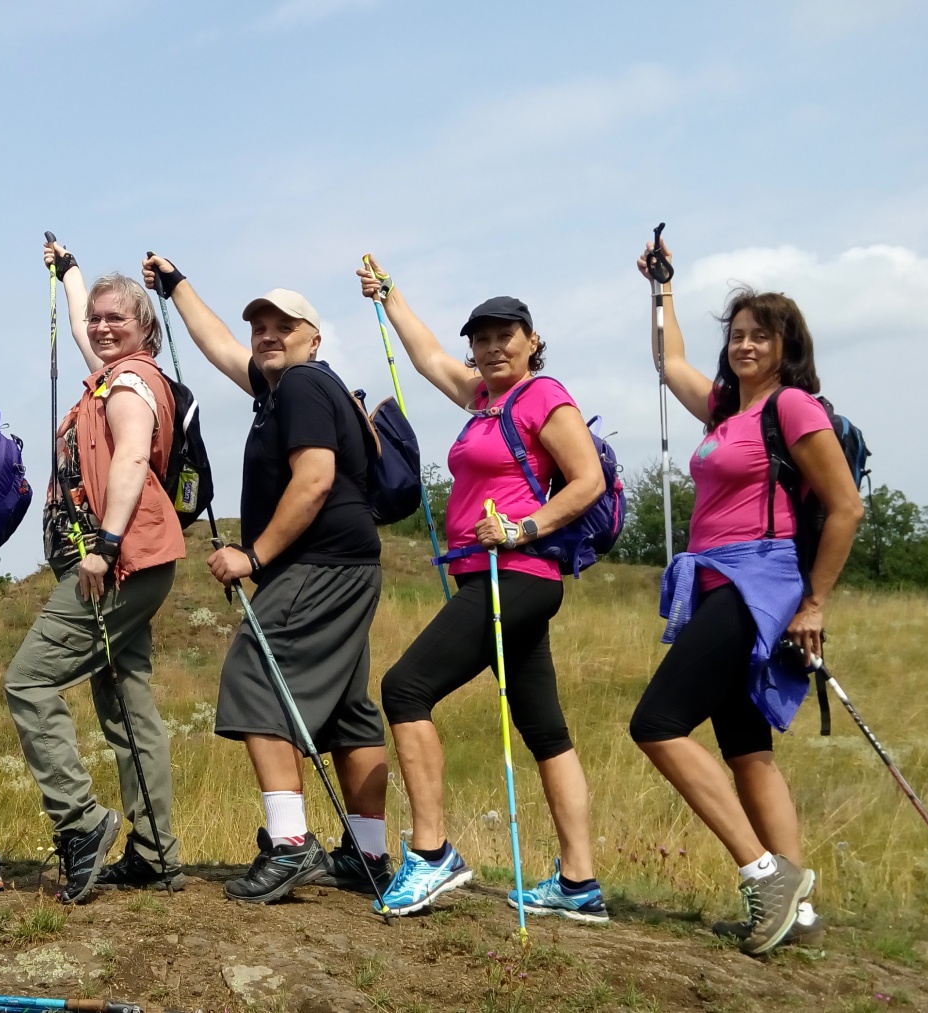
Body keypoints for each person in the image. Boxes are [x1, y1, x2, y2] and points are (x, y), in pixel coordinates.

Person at [628, 234, 862, 955]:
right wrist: (663, 288)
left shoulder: (791, 408)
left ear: (788, 346)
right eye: (736, 335)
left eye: (761, 335)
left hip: (756, 579)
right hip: (716, 578)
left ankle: (764, 874)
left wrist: (814, 603)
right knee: (746, 747)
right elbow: (668, 362)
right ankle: (800, 907)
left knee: (658, 723)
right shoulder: (726, 412)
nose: (744, 345)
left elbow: (845, 507)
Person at [356, 260, 610, 921]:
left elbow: (587, 483)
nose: (492, 346)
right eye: (482, 337)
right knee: (545, 729)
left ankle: (432, 851)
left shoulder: (543, 396)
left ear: (531, 339)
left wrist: (524, 527)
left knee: (405, 688)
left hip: (517, 573)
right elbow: (429, 357)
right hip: (490, 574)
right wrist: (390, 298)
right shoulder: (482, 397)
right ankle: (579, 883)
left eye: (506, 335)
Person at [143, 253, 391, 905]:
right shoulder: (285, 387)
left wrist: (253, 557)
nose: (268, 333)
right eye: (262, 325)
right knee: (344, 707)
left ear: (314, 337)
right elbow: (219, 344)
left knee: (254, 674)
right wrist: (176, 286)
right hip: (348, 566)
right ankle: (367, 854)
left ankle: (290, 845)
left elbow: (313, 481)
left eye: (285, 324)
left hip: (318, 564)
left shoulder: (306, 386)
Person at [0, 240, 186, 905]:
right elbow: (81, 322)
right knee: (126, 700)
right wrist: (68, 269)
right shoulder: (110, 373)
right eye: (99, 318)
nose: (102, 327)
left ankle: (80, 824)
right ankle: (157, 851)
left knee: (28, 679)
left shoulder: (131, 385)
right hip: (142, 559)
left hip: (123, 559)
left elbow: (132, 459)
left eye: (118, 320)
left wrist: (104, 547)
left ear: (146, 333)